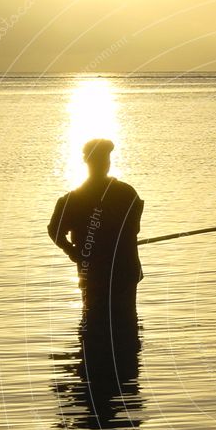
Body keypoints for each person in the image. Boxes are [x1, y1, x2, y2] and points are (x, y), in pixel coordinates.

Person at [48, 139, 144, 325]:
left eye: (107, 159)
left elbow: (55, 231)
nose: (106, 163)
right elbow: (135, 229)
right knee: (123, 327)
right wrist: (73, 252)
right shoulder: (127, 193)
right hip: (113, 274)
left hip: (115, 273)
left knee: (96, 324)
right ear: (90, 162)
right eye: (103, 159)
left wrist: (73, 251)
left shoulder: (72, 199)